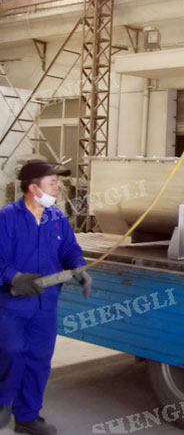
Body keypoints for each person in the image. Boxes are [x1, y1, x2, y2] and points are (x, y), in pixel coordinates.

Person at [0, 160, 91, 435]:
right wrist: (14, 277)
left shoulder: (57, 217)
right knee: (10, 353)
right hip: (13, 304)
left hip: (46, 304)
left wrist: (78, 267)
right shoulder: (7, 218)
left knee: (39, 359)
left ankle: (27, 417)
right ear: (33, 188)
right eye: (52, 182)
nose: (57, 187)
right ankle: (3, 402)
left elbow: (69, 248)